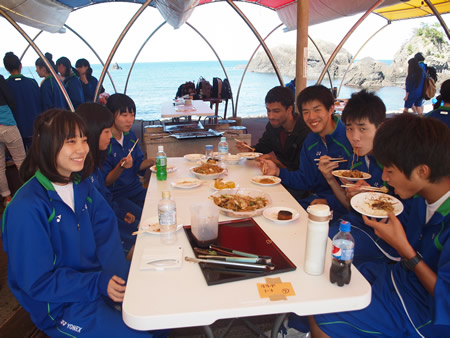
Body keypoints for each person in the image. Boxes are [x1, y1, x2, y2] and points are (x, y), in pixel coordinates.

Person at [1, 109, 154, 337]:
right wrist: (97, 284)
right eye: (70, 141)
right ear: (46, 144)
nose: (82, 148)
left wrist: (120, 281)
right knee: (138, 334)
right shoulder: (27, 207)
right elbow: (37, 282)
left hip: (97, 283)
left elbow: (106, 237)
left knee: (157, 313)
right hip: (60, 306)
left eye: (83, 139)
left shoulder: (83, 186)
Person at [308, 114, 450, 337]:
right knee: (324, 281)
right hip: (400, 277)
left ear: (423, 171)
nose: (384, 177)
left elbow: (446, 298)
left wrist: (405, 250)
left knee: (323, 313)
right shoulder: (421, 197)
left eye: (390, 171)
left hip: (426, 312)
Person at [259, 85, 352, 215]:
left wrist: (329, 201)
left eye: (317, 110)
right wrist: (278, 171)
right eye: (306, 112)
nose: (311, 117)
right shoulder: (311, 140)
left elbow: (356, 193)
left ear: (331, 109)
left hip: (342, 210)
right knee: (269, 210)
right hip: (313, 201)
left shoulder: (350, 140)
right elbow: (305, 180)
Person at [76, 102, 140, 255]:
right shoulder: (82, 175)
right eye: (106, 131)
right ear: (91, 132)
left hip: (113, 213)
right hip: (105, 231)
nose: (110, 136)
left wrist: (120, 212)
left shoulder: (93, 165)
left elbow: (104, 197)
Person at [236, 86, 310, 171]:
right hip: (280, 175)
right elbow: (263, 147)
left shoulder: (305, 132)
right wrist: (250, 150)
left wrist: (276, 162)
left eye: (276, 111)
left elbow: (300, 172)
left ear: (289, 109)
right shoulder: (273, 126)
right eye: (268, 110)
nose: (271, 116)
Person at [102, 93, 155, 211]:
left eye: (132, 115)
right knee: (144, 217)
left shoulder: (129, 135)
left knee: (159, 205)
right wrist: (121, 166)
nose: (129, 120)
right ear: (111, 115)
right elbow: (106, 181)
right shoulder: (105, 142)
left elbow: (137, 165)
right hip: (117, 195)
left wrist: (152, 161)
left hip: (135, 189)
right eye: (124, 115)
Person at [3, 51, 40, 150]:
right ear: (21, 66)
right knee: (36, 158)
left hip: (17, 129)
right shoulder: (32, 82)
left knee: (21, 160)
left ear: (6, 68)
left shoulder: (5, 86)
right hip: (35, 127)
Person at [0, 74, 25, 207]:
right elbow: (11, 99)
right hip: (6, 123)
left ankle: (7, 198)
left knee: (0, 166)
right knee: (21, 160)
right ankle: (29, 193)